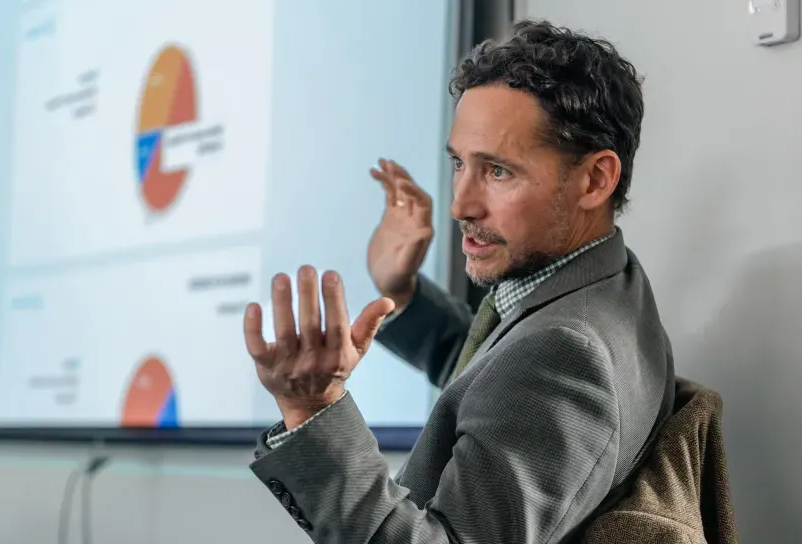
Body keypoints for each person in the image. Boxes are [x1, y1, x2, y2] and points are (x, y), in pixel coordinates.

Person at [242, 20, 675, 543]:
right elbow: (500, 387)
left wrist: (312, 408)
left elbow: (526, 380)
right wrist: (400, 289)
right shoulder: (608, 285)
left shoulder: (566, 353)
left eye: (497, 171)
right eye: (459, 164)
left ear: (595, 179)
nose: (459, 205)